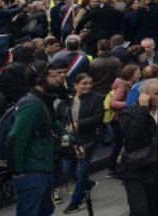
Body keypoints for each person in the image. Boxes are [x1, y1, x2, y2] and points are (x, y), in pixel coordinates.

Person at [10, 60, 74, 216]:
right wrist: (18, 170)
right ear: (39, 80)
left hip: (44, 167)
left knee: (45, 210)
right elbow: (17, 138)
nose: (58, 78)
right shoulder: (32, 104)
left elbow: (55, 126)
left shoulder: (44, 101)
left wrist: (71, 140)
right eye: (52, 76)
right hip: (32, 170)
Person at [119, 79, 158, 216]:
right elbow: (132, 133)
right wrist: (143, 109)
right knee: (140, 211)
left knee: (154, 210)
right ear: (144, 95)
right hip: (136, 171)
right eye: (156, 93)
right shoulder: (129, 112)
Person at [57, 73, 104, 214]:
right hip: (67, 138)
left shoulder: (97, 98)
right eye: (84, 83)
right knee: (67, 169)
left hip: (86, 139)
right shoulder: (67, 99)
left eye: (90, 83)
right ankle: (87, 184)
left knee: (81, 171)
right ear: (76, 85)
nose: (88, 86)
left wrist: (79, 124)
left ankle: (76, 201)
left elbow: (99, 117)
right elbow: (59, 117)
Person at [107, 64, 141, 177]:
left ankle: (113, 167)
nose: (139, 75)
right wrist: (130, 104)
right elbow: (114, 102)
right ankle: (114, 168)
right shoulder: (123, 86)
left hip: (120, 118)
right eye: (137, 74)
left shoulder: (128, 84)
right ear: (130, 75)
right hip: (118, 119)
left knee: (119, 142)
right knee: (120, 142)